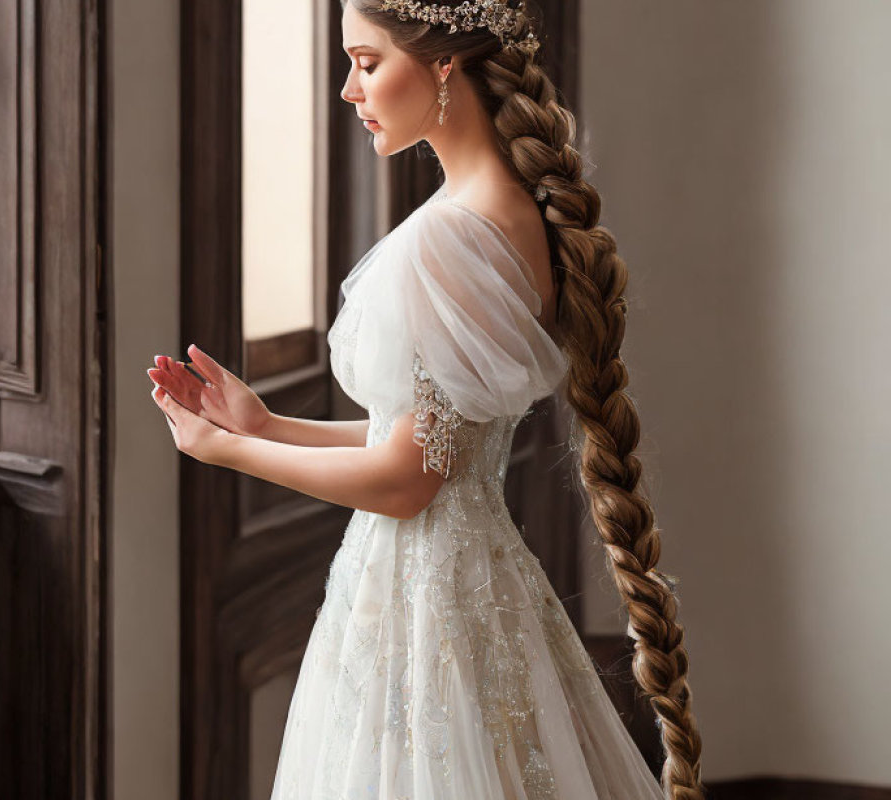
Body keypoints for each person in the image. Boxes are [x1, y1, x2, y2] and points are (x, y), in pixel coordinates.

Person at [148, 0, 705, 797]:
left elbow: (410, 484)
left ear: (443, 61)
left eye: (368, 62)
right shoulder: (514, 214)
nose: (349, 89)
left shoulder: (452, 237)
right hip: (469, 585)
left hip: (425, 604)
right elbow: (438, 441)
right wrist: (269, 424)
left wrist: (227, 450)